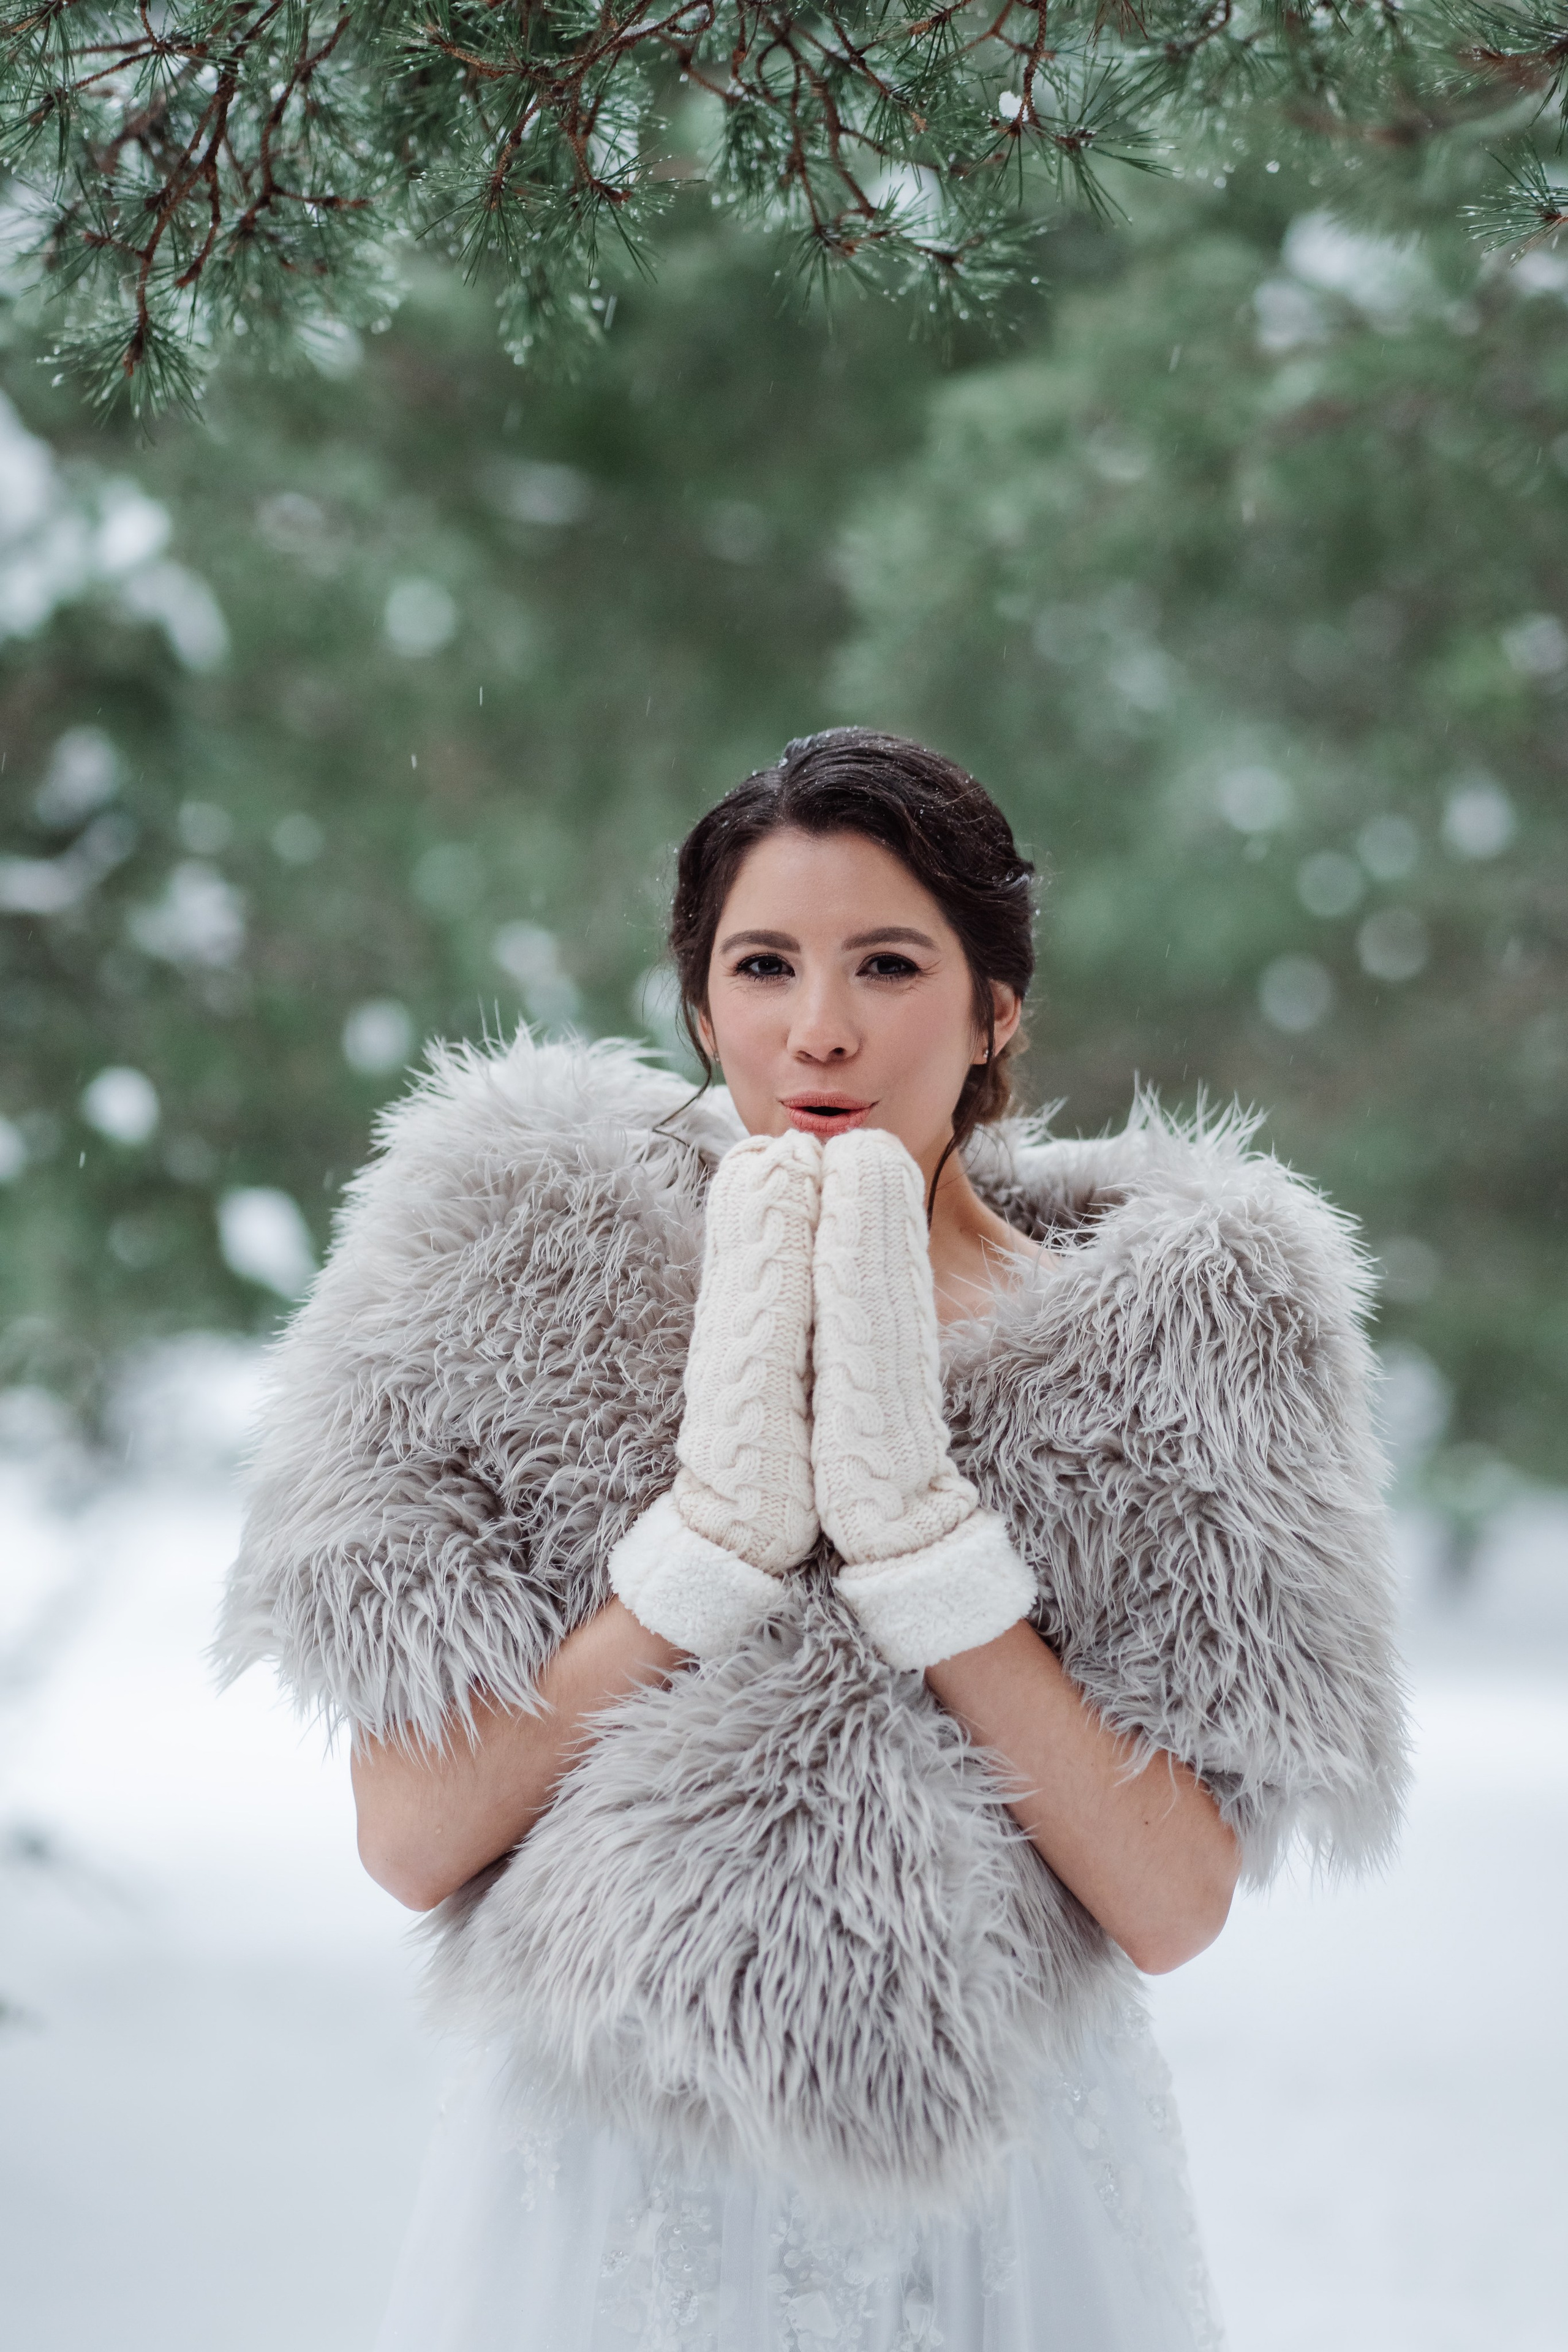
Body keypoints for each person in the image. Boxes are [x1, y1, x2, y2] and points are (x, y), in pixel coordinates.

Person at [217, 728, 1408, 2351]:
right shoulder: (524, 1286)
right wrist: (701, 1553)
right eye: (764, 966)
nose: (822, 1030)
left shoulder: (1172, 1340)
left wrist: (932, 1558)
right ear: (701, 1006)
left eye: (890, 965)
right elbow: (413, 1837)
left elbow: (1171, 1902)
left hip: (994, 2184)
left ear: (996, 1009)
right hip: (615, 2175)